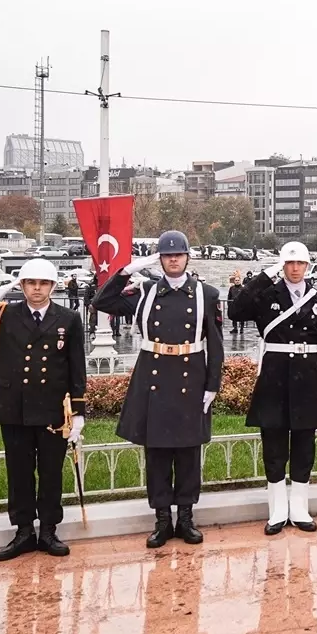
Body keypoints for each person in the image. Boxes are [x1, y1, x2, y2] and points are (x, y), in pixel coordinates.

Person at [93, 230, 224, 548]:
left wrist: (212, 384)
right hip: (154, 379)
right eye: (166, 255)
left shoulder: (206, 294)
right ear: (160, 259)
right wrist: (128, 269)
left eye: (178, 254)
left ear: (187, 257)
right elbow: (102, 301)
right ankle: (163, 519)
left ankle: (187, 518)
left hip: (191, 378)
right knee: (158, 454)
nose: (173, 259)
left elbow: (216, 345)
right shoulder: (147, 291)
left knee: (189, 453)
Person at [0, 258, 87, 561]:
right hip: (14, 407)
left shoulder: (69, 318)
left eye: (43, 283)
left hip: (53, 408)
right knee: (19, 471)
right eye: (30, 283)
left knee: (51, 472)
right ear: (22, 285)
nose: (37, 289)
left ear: (52, 286)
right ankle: (24, 531)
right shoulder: (4, 315)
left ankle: (48, 530)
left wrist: (78, 412)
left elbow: (77, 366)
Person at [230, 241, 317, 535]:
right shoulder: (267, 294)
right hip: (274, 376)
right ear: (282, 265)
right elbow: (236, 310)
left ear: (307, 266)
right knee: (274, 445)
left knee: (304, 445)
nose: (294, 269)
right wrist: (265, 276)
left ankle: (300, 507)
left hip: (307, 377)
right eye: (289, 263)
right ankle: (277, 510)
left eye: (299, 264)